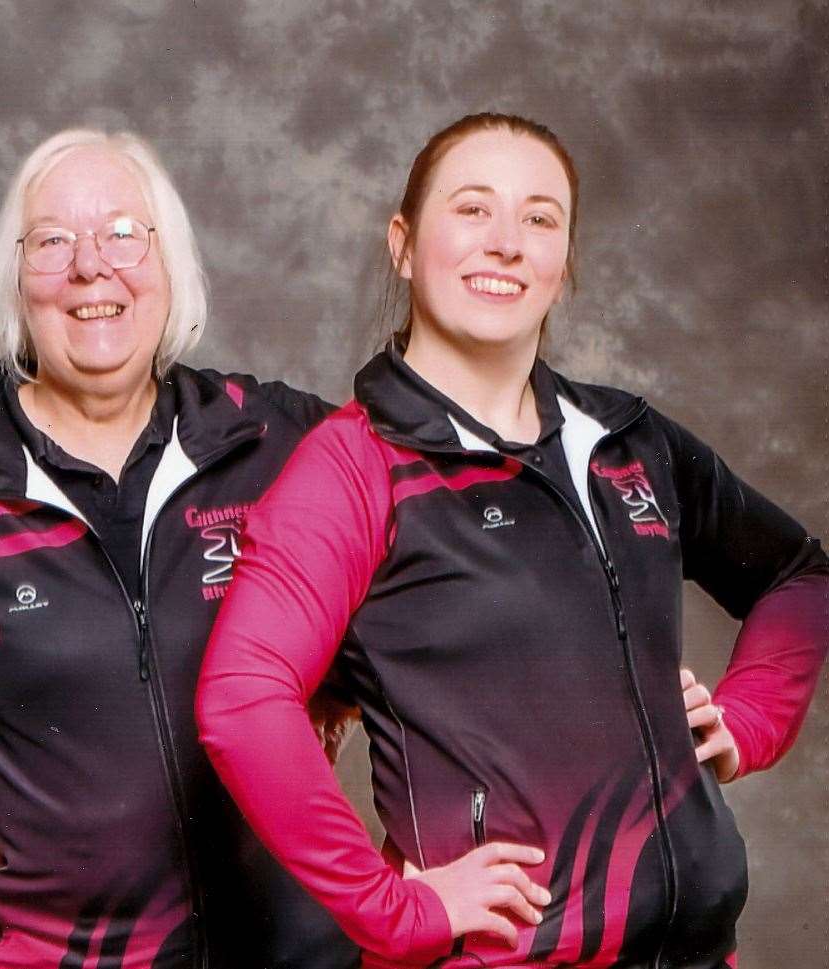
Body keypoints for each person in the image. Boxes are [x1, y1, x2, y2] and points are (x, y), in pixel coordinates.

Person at [195, 112, 829, 968]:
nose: (505, 243)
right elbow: (241, 699)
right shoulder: (355, 465)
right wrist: (392, 909)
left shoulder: (628, 439)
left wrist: (748, 721)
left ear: (562, 263)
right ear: (403, 243)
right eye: (471, 209)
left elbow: (797, 573)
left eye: (539, 218)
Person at [0, 128, 362, 968]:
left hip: (301, 948)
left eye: (124, 232)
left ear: (170, 263)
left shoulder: (271, 438)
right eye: (53, 241)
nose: (93, 267)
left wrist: (340, 676)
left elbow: (421, 561)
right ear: (15, 279)